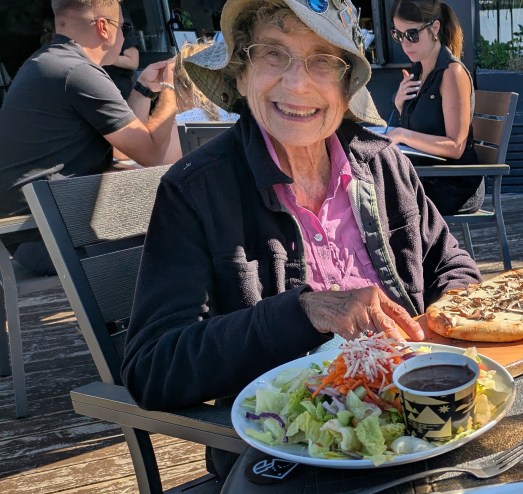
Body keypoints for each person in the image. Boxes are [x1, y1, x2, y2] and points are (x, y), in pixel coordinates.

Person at [121, 0, 480, 424]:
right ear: (241, 73)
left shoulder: (382, 163)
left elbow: (452, 266)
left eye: (323, 60)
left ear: (346, 86)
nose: (297, 84)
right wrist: (304, 311)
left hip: (428, 416)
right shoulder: (196, 190)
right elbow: (153, 368)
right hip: (288, 445)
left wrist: (455, 314)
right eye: (272, 53)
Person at [0, 0, 179, 276]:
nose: (125, 38)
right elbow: (152, 154)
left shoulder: (50, 61)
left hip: (30, 234)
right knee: (182, 209)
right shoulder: (78, 72)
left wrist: (144, 88)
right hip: (49, 239)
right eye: (125, 29)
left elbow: (124, 149)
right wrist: (171, 89)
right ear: (104, 27)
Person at [386, 0, 482, 216]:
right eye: (398, 35)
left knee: (380, 199)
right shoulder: (419, 73)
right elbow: (423, 128)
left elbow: (456, 146)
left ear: (434, 28)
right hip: (426, 175)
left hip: (453, 183)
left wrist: (402, 134)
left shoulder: (452, 73)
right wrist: (400, 106)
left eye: (412, 34)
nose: (405, 43)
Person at [102, 15, 141, 99]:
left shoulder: (120, 22)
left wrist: (100, 56)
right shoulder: (80, 23)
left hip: (117, 88)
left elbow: (132, 61)